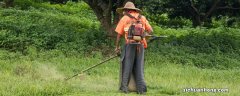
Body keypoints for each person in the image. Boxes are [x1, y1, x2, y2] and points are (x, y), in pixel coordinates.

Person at [114, 1, 153, 94]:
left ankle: (124, 88)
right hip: (140, 45)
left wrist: (117, 47)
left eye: (124, 10)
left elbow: (119, 35)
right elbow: (150, 30)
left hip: (129, 45)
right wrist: (143, 37)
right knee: (139, 68)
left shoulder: (124, 19)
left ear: (127, 10)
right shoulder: (142, 18)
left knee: (127, 66)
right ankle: (141, 90)